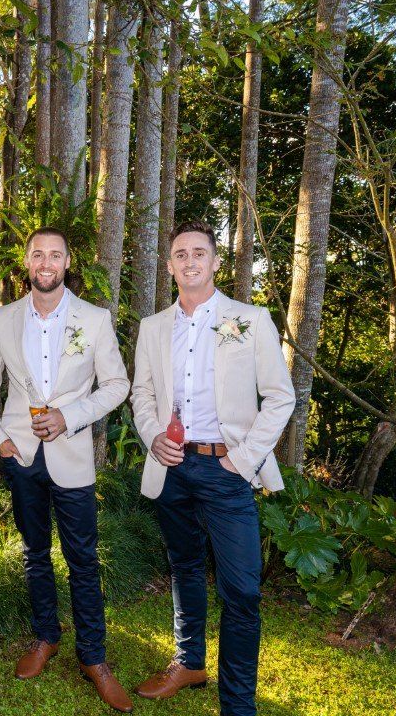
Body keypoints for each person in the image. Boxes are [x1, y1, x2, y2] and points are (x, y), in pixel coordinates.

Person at [130, 221, 294, 716]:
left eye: (199, 252)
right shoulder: (153, 327)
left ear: (216, 262)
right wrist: (152, 437)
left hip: (227, 470)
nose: (190, 261)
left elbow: (281, 397)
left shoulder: (249, 319)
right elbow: (143, 395)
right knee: (183, 566)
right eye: (180, 254)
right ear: (170, 266)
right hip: (172, 467)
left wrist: (241, 461)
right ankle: (189, 662)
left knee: (242, 590)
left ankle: (238, 705)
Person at [0, 227, 133, 712]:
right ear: (27, 262)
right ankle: (46, 637)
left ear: (68, 262)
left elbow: (117, 385)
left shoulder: (95, 318)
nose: (46, 262)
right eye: (37, 254)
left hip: (72, 456)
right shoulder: (4, 318)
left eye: (55, 255)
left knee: (83, 559)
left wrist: (71, 416)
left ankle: (94, 658)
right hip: (20, 455)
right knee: (35, 552)